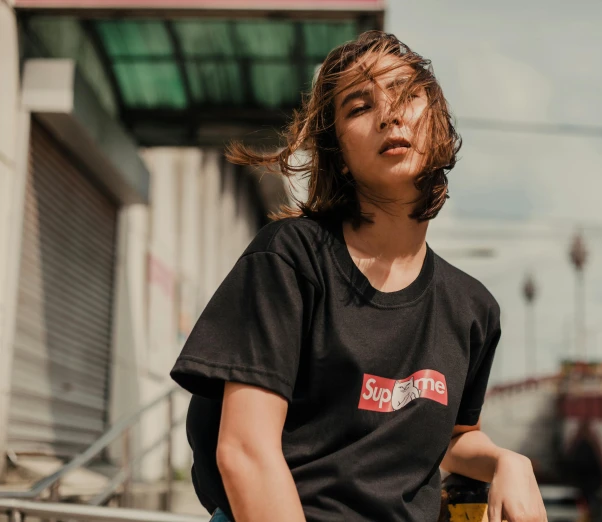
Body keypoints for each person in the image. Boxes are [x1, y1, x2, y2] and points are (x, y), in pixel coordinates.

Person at [170, 30, 546, 522]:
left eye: (408, 95)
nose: (390, 114)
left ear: (436, 122)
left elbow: (453, 437)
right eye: (359, 106)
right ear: (339, 154)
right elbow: (245, 453)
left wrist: (505, 462)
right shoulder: (291, 259)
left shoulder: (472, 309)